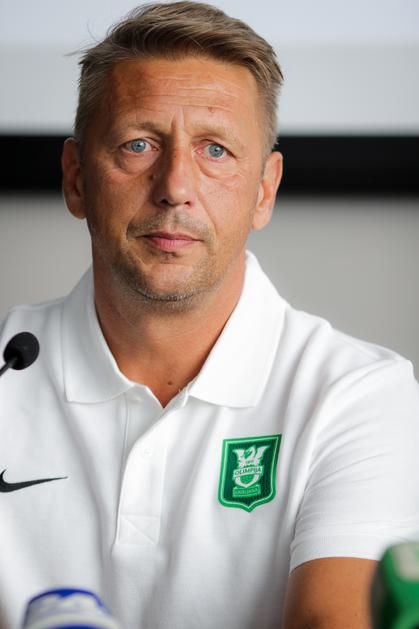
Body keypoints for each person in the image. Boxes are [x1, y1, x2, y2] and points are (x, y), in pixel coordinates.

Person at [1, 2, 419, 628]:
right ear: (77, 179)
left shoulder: (357, 394)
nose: (175, 185)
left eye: (216, 150)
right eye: (138, 145)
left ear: (264, 190)